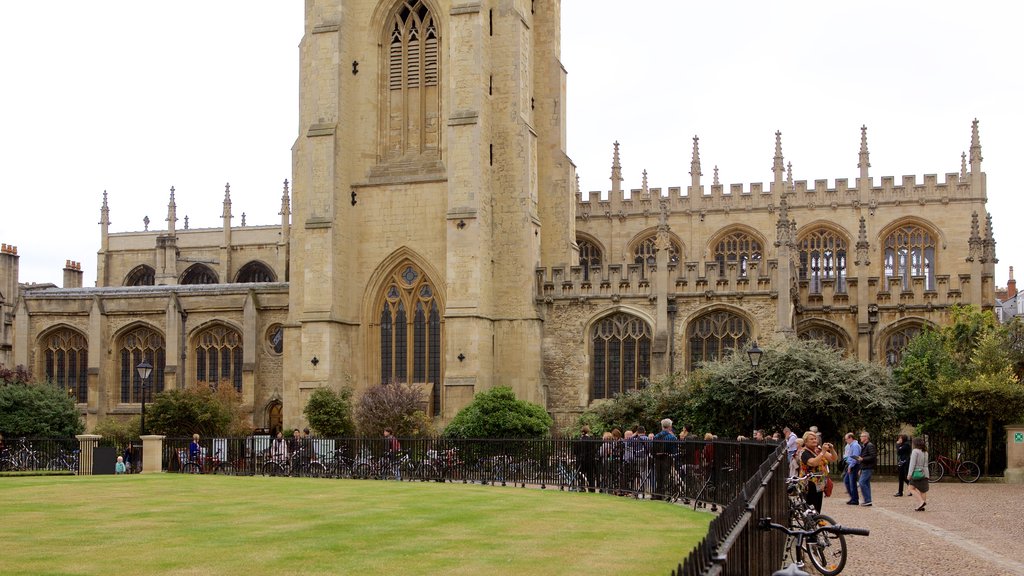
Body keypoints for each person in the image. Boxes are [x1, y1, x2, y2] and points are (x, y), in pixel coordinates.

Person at [798, 431, 837, 515]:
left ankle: (816, 523)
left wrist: (832, 449)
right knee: (810, 507)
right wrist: (822, 452)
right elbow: (813, 463)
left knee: (817, 506)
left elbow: (833, 458)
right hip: (809, 483)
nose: (814, 440)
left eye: (815, 438)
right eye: (811, 439)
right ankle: (809, 525)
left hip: (819, 482)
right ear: (805, 441)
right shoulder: (803, 452)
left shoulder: (818, 450)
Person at [652, 418, 678, 500]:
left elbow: (653, 449)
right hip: (667, 458)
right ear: (670, 426)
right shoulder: (672, 437)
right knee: (666, 477)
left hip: (658, 458)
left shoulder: (656, 436)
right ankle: (665, 494)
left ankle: (658, 494)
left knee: (658, 476)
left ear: (662, 426)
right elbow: (674, 451)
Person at [907, 437, 930, 511]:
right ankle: (922, 506)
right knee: (923, 490)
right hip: (925, 472)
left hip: (917, 472)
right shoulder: (925, 452)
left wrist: (909, 474)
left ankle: (921, 502)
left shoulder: (915, 451)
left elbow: (912, 464)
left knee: (910, 488)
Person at [856, 431, 877, 506]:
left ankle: (868, 500)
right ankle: (868, 500)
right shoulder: (864, 445)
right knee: (866, 483)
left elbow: (873, 456)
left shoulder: (870, 445)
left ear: (866, 437)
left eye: (862, 436)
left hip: (868, 467)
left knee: (862, 482)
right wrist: (860, 468)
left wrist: (862, 459)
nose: (860, 438)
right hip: (865, 467)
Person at [575, 425, 598, 493]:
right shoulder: (591, 440)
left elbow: (575, 451)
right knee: (590, 475)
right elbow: (594, 451)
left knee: (581, 474)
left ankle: (582, 487)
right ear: (588, 431)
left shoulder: (579, 440)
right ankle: (591, 488)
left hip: (581, 460)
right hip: (590, 460)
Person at [842, 432, 861, 505]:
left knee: (852, 483)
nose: (846, 440)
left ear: (850, 438)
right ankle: (853, 498)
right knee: (847, 481)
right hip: (850, 465)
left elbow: (855, 457)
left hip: (853, 466)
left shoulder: (855, 445)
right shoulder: (851, 445)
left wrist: (850, 466)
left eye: (846, 439)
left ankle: (855, 499)